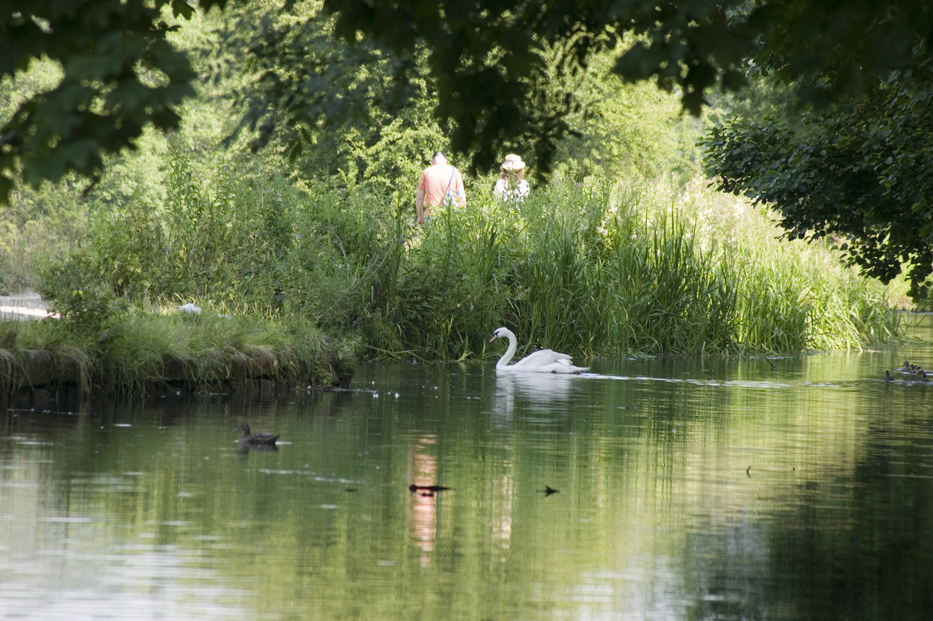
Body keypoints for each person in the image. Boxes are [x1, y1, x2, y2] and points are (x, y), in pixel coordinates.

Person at [416, 151, 466, 226]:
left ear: (433, 161)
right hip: (451, 214)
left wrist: (420, 216)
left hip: (432, 215)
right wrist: (463, 214)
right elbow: (461, 194)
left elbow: (419, 198)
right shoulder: (454, 171)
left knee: (433, 237)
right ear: (445, 160)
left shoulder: (426, 172)